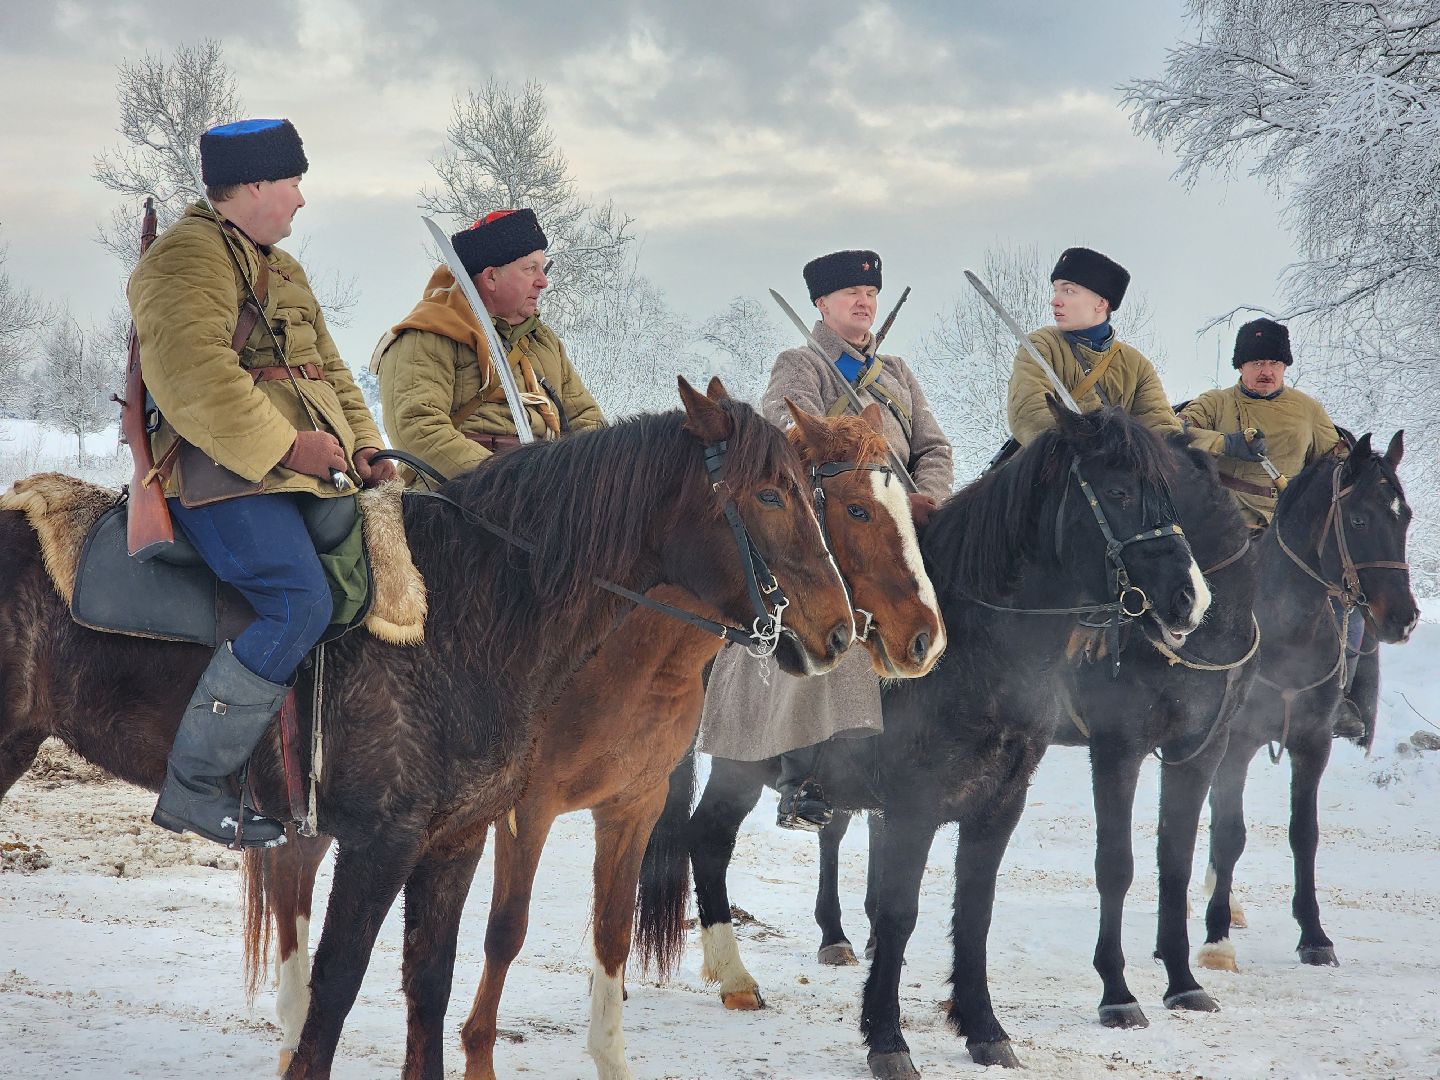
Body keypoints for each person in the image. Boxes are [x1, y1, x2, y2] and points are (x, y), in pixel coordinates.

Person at [129, 118, 394, 848]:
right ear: (251, 187)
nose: (302, 200)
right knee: (296, 601)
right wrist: (289, 446)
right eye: (292, 183)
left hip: (293, 476)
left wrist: (363, 444)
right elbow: (194, 381)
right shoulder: (185, 258)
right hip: (220, 477)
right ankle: (194, 787)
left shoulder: (280, 265)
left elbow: (329, 370)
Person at [698, 249, 953, 830]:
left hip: (902, 521)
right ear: (821, 304)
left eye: (870, 296)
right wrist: (861, 464)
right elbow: (785, 437)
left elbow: (935, 448)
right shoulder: (801, 363)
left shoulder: (897, 374)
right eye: (850, 296)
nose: (864, 303)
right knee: (835, 614)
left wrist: (923, 497)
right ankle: (807, 773)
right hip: (832, 524)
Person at [1179, 319, 1367, 740]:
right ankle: (1190, 686)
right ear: (1240, 367)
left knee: (1342, 598)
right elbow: (1177, 433)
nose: (1266, 370)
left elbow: (1332, 462)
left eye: (1275, 363)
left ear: (1285, 367)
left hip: (1286, 535)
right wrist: (1227, 444)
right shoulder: (1215, 403)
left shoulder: (1307, 410)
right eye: (1257, 362)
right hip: (1224, 532)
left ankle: (1335, 694)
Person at [375, 209, 604, 481]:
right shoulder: (427, 335)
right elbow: (417, 427)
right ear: (491, 277)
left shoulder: (543, 341)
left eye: (543, 268)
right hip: (459, 498)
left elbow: (587, 419)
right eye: (530, 269)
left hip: (547, 489)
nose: (543, 282)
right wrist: (504, 482)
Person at [1007, 246, 1182, 444]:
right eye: (1056, 290)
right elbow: (1029, 414)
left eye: (1068, 290)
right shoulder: (1042, 345)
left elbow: (1161, 429)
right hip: (1051, 467)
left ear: (1100, 304)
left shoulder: (1137, 365)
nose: (1055, 301)